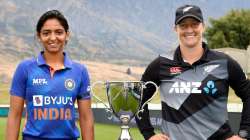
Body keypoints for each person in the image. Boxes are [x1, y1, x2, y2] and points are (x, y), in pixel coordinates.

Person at [135, 4, 250, 140]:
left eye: (194, 24)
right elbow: (138, 97)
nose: (189, 30)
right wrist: (149, 135)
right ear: (175, 29)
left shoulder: (224, 62)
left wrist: (244, 134)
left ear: (203, 26)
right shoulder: (161, 64)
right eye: (183, 25)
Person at [6, 10, 94, 140]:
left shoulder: (80, 71)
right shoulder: (25, 68)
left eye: (58, 32)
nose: (53, 38)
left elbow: (86, 118)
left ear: (67, 35)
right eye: (46, 33)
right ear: (39, 36)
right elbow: (14, 114)